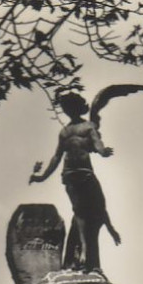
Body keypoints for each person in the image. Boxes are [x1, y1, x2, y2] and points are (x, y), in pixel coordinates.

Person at [30, 91, 121, 270]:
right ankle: (85, 253)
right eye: (65, 108)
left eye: (69, 107)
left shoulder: (88, 127)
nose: (67, 111)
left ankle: (88, 251)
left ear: (77, 107)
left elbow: (98, 145)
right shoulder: (64, 132)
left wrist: (103, 152)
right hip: (71, 175)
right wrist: (42, 177)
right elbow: (56, 157)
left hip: (83, 173)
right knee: (81, 212)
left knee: (93, 209)